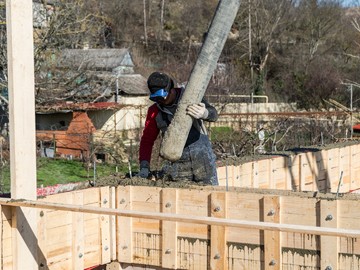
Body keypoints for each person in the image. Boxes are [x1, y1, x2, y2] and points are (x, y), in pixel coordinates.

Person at [137, 71, 219, 185]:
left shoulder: (190, 96)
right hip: (178, 167)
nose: (161, 101)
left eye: (163, 98)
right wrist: (144, 165)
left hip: (203, 160)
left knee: (211, 197)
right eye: (157, 99)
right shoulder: (154, 112)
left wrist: (205, 113)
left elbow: (214, 114)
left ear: (171, 89)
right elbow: (147, 140)